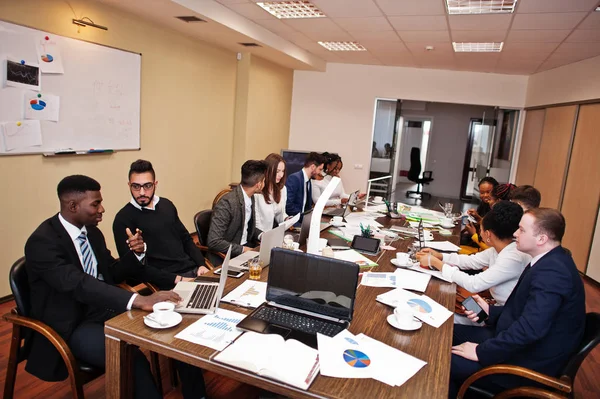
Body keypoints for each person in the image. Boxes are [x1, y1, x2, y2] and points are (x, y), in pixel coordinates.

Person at [24, 175, 206, 399]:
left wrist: (136, 254)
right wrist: (139, 299)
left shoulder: (91, 232)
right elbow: (79, 284)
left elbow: (111, 272)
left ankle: (197, 395)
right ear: (73, 206)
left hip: (103, 305)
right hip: (73, 322)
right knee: (130, 358)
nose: (102, 209)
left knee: (174, 324)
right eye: (95, 204)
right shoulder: (42, 242)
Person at [449, 208, 585, 398]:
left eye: (521, 230)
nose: (515, 233)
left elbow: (530, 330)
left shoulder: (553, 274)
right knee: (447, 332)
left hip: (527, 362)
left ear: (541, 239)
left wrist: (481, 351)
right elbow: (527, 312)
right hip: (516, 341)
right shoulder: (547, 260)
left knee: (444, 361)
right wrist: (491, 311)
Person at [417, 201, 530, 325]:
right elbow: (470, 261)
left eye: (480, 228)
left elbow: (474, 284)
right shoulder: (500, 249)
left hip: (503, 319)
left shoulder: (513, 258)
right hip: (494, 308)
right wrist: (440, 256)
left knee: (441, 319)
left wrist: (437, 263)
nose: (478, 232)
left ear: (488, 235)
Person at [112, 160, 209, 290]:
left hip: (193, 271)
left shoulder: (166, 205)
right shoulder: (123, 219)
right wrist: (178, 280)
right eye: (136, 186)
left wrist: (201, 264)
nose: (141, 192)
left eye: (147, 186)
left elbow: (186, 239)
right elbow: (135, 268)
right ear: (129, 185)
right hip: (166, 282)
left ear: (155, 184)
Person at [208, 160, 266, 259]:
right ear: (259, 184)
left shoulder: (250, 196)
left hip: (246, 249)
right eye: (264, 180)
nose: (265, 183)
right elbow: (214, 241)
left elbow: (246, 226)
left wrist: (262, 235)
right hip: (226, 256)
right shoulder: (227, 203)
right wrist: (243, 250)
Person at [285, 152, 326, 224]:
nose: (320, 173)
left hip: (304, 222)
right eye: (320, 169)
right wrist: (304, 218)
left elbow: (307, 207)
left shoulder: (308, 181)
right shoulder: (294, 178)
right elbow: (289, 206)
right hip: (294, 222)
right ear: (313, 167)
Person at [255, 153, 287, 232]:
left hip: (274, 233)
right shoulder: (257, 192)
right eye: (277, 171)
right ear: (268, 171)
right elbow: (256, 224)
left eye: (283, 171)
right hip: (260, 237)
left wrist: (286, 218)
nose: (281, 175)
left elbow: (281, 214)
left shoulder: (282, 189)